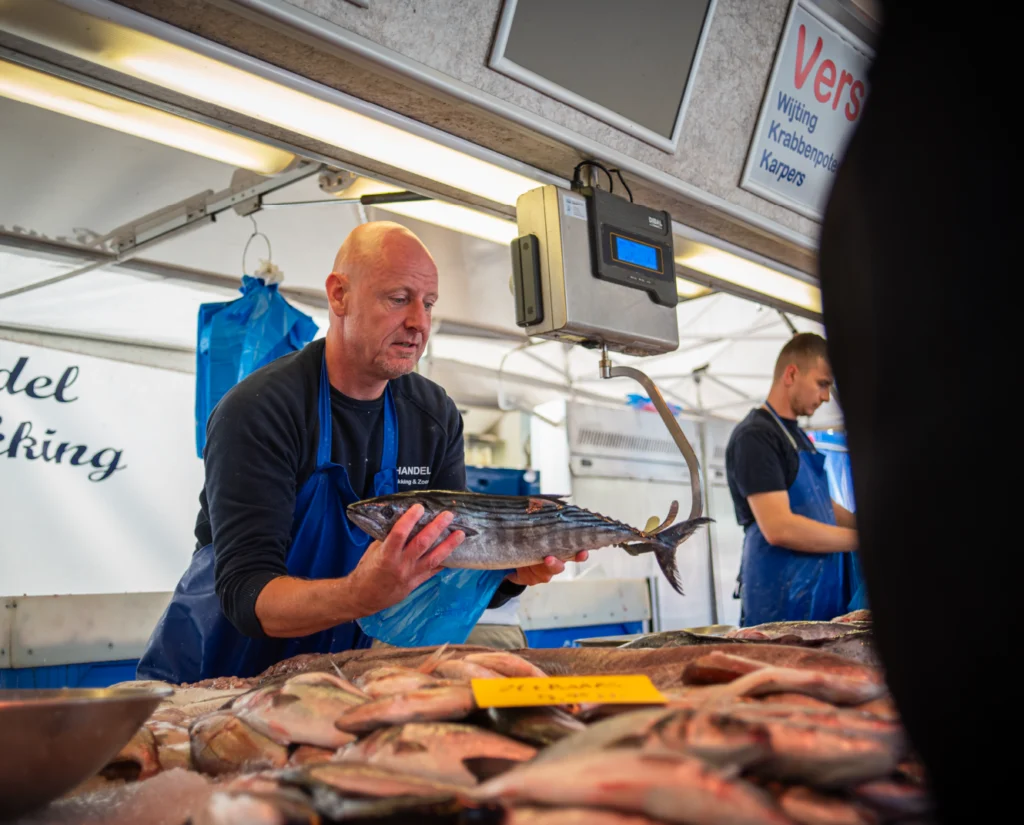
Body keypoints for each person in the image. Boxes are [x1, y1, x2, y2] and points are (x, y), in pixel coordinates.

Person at [137, 221, 585, 683]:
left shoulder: (432, 416)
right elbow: (248, 595)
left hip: (336, 677)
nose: (419, 322)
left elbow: (445, 561)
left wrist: (509, 576)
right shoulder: (260, 410)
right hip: (221, 682)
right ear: (339, 296)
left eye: (428, 304)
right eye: (398, 299)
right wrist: (360, 593)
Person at [725, 332, 857, 626]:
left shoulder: (798, 436)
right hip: (778, 604)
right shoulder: (756, 436)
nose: (825, 397)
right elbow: (779, 527)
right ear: (792, 374)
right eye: (822, 384)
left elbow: (822, 505)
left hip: (818, 599)